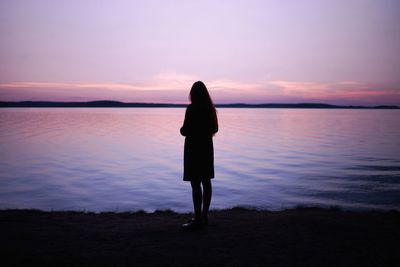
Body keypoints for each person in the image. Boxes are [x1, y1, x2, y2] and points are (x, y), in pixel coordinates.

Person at [180, 81, 218, 229]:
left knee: (196, 183)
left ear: (193, 94)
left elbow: (184, 130)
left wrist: (185, 130)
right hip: (206, 149)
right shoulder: (210, 109)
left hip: (193, 149)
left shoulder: (191, 109)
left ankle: (197, 218)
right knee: (206, 182)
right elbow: (215, 128)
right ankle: (204, 216)